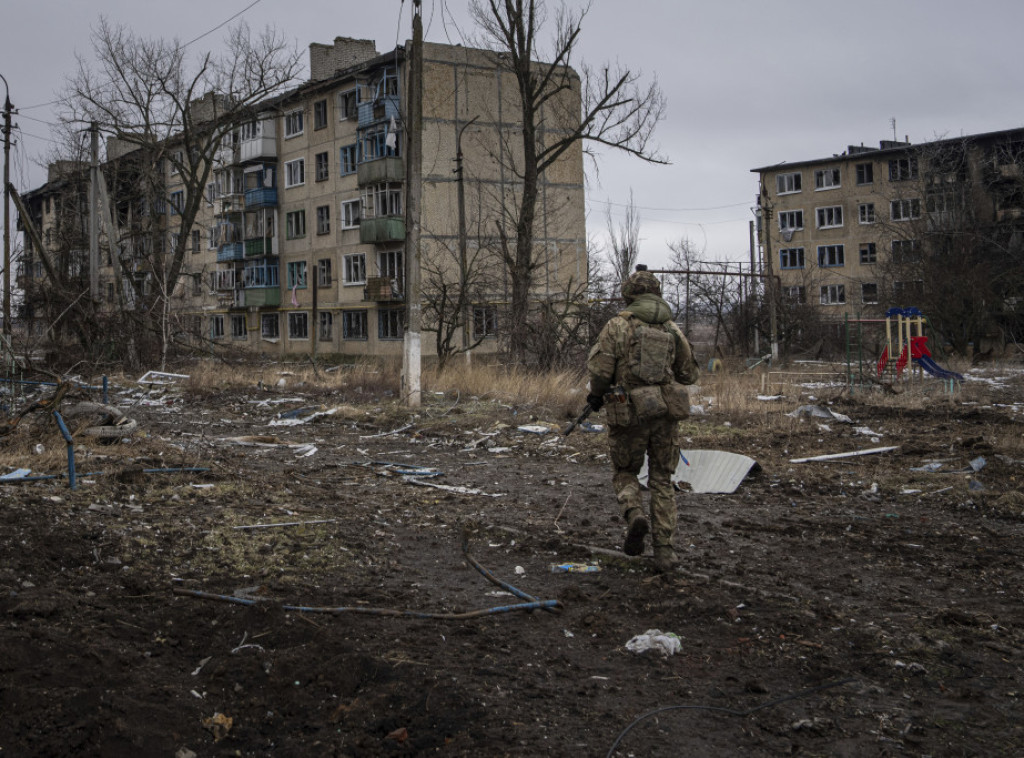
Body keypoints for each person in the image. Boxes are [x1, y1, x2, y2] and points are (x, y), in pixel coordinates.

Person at [586, 266, 699, 572]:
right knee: (662, 479)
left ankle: (634, 513)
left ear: (628, 296)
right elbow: (689, 374)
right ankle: (665, 552)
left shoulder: (617, 326)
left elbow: (599, 372)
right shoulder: (672, 329)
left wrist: (596, 395)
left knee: (625, 472)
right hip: (665, 414)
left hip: (628, 414)